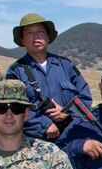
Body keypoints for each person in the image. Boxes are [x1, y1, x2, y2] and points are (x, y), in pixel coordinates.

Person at [6, 13, 92, 142]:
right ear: (22, 40)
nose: (36, 37)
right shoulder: (16, 71)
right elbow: (12, 107)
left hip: (72, 137)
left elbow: (85, 96)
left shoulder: (65, 65)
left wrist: (67, 112)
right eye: (29, 33)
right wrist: (44, 125)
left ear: (48, 37)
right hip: (36, 142)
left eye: (40, 32)